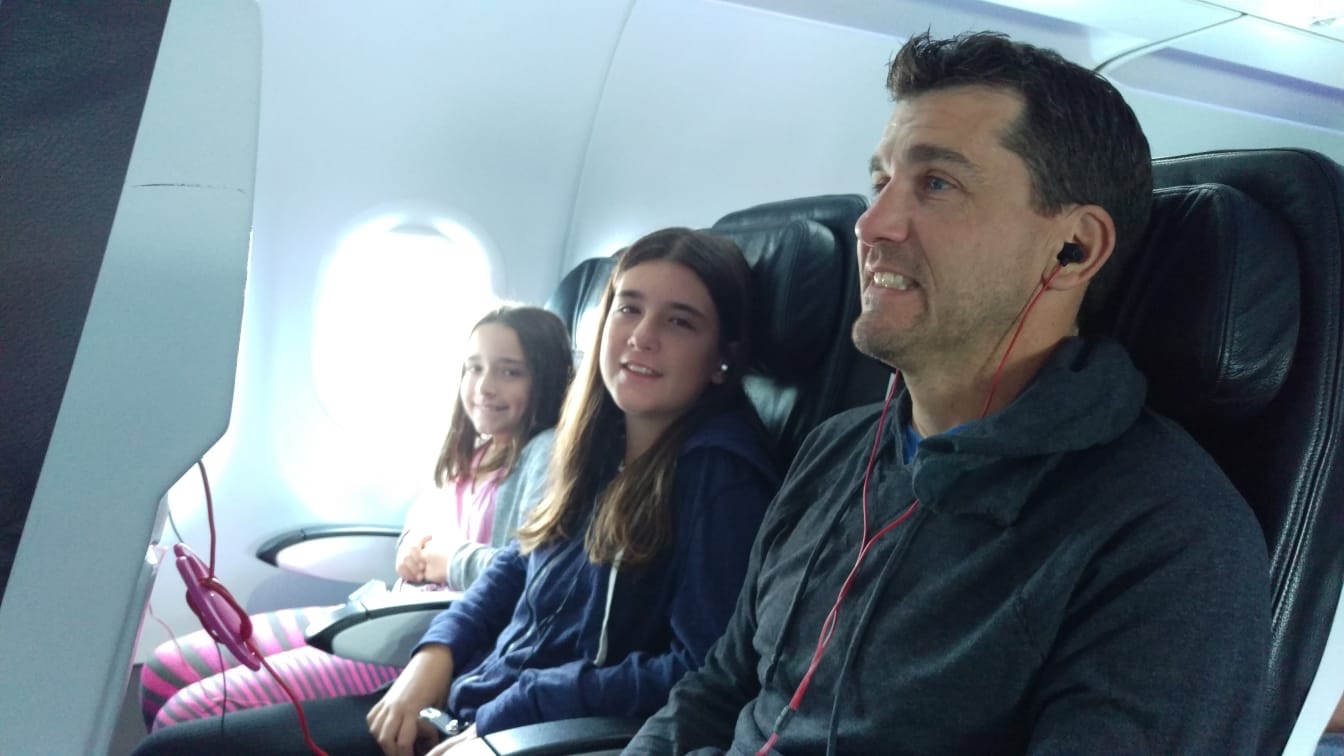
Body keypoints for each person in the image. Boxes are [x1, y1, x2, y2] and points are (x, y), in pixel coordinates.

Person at [626, 31, 1270, 754]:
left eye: (936, 184)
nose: (871, 224)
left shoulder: (1168, 538)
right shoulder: (837, 449)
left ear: (1075, 250)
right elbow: (718, 688)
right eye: (881, 182)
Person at [130, 226, 780, 756]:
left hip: (543, 731)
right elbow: (515, 565)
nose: (640, 336)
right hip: (474, 695)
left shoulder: (719, 477)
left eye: (680, 322)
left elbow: (700, 670)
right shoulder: (599, 444)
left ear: (723, 357)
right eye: (629, 307)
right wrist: (431, 659)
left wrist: (517, 711)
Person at [139, 304, 573, 731]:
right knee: (165, 670)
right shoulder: (476, 450)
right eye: (474, 368)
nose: (485, 387)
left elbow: (531, 576)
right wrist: (412, 543)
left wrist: (448, 562)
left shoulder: (545, 453)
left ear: (546, 379)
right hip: (395, 610)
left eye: (509, 372)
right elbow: (428, 513)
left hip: (428, 643)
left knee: (190, 712)